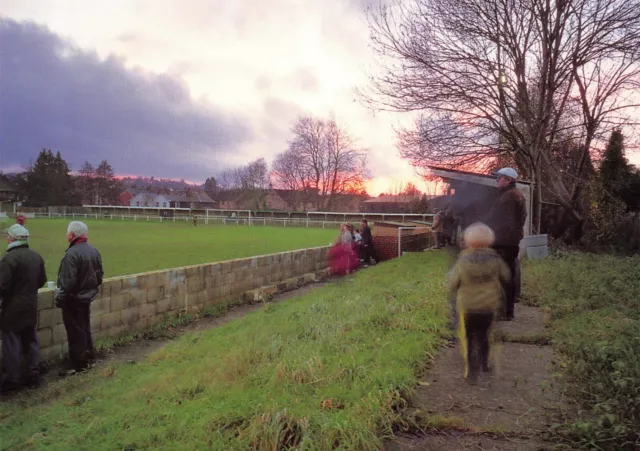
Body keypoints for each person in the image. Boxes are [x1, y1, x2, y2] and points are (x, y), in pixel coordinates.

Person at [448, 222, 510, 384]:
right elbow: (506, 276)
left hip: (468, 306)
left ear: (468, 241)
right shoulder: (495, 259)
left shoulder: (463, 260)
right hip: (489, 306)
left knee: (468, 337)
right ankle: (484, 362)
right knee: (484, 335)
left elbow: (453, 282)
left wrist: (453, 291)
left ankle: (471, 370)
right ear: (490, 241)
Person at [0, 224, 47, 394]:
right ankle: (33, 374)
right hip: (31, 305)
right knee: (31, 340)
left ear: (12, 239)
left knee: (11, 343)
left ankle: (12, 379)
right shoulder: (36, 257)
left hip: (12, 308)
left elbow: (2, 285)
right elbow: (42, 281)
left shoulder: (9, 259)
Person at [55, 221, 104, 376]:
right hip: (87, 297)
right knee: (84, 328)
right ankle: (88, 356)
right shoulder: (93, 251)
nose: (66, 235)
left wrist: (60, 298)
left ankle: (78, 364)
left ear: (73, 235)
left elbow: (67, 282)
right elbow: (99, 276)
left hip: (73, 299)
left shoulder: (71, 254)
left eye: (67, 232)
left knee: (75, 332)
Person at [484, 167, 527, 321]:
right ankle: (506, 310)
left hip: (503, 242)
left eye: (499, 178)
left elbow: (504, 221)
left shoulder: (509, 197)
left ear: (508, 180)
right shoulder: (513, 195)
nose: (496, 180)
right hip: (509, 241)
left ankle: (505, 311)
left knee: (503, 275)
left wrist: (492, 235)